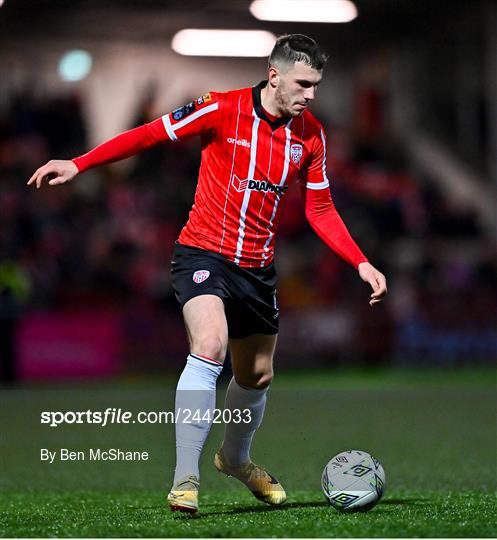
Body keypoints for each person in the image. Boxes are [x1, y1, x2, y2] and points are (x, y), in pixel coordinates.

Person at [28, 34, 387, 514]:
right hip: (203, 255)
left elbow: (320, 208)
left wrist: (360, 261)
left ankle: (235, 459)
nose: (311, 94)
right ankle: (185, 478)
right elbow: (150, 133)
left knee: (257, 375)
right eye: (304, 83)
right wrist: (80, 162)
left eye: (317, 85)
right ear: (275, 75)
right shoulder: (220, 109)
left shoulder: (312, 136)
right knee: (209, 346)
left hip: (257, 270)